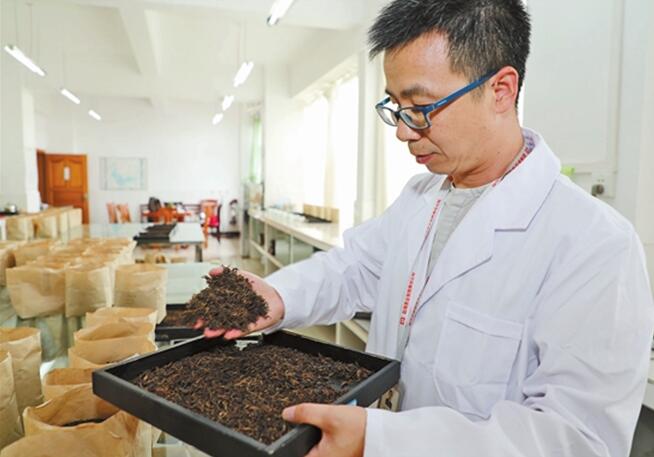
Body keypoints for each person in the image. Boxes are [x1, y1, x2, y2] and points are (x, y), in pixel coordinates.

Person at [203, 1, 654, 455]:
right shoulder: (421, 197)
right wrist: (279, 296)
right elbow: (355, 268)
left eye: (420, 106)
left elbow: (575, 440)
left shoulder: (595, 246)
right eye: (395, 106)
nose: (403, 131)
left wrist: (383, 441)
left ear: (501, 90)